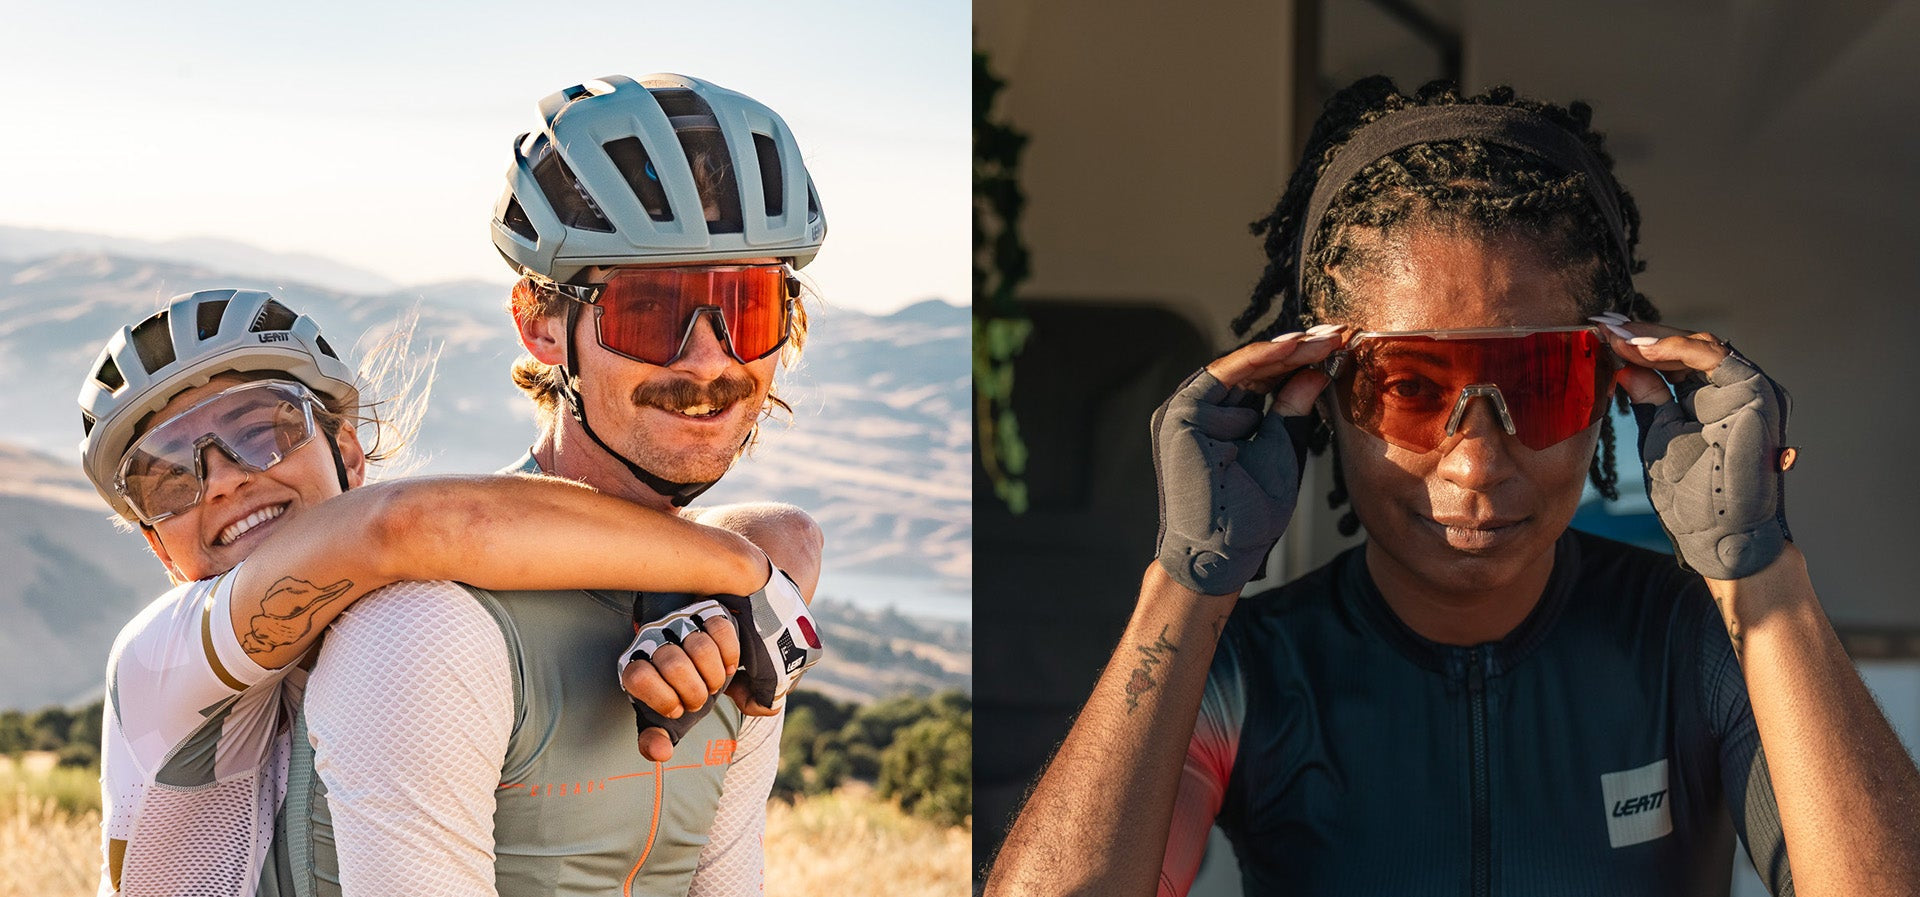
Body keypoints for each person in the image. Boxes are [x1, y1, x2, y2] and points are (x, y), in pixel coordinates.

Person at [984, 79, 1920, 896]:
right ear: (1320, 389)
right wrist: (1186, 585)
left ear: (1607, 386)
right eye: (1411, 388)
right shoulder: (1254, 673)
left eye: (1538, 386)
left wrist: (1762, 573)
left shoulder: (1696, 647)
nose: (1476, 467)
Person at [275, 72, 832, 897]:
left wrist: (750, 571)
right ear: (540, 321)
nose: (709, 359)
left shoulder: (732, 605)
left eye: (746, 308)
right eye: (649, 312)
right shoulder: (431, 632)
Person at [83, 288, 810, 897]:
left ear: (347, 451)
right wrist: (749, 575)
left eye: (260, 431)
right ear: (158, 542)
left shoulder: (396, 615)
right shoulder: (161, 657)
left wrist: (775, 548)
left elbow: (769, 528)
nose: (224, 479)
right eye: (169, 477)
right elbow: (408, 524)